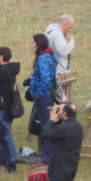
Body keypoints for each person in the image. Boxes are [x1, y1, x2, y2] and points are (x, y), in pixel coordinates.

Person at [28, 33, 58, 168]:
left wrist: (38, 93)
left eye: (33, 43)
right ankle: (49, 156)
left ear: (39, 44)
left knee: (46, 127)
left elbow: (45, 79)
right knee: (47, 125)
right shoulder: (49, 56)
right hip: (46, 95)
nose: (30, 45)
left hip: (44, 96)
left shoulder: (42, 59)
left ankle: (46, 159)